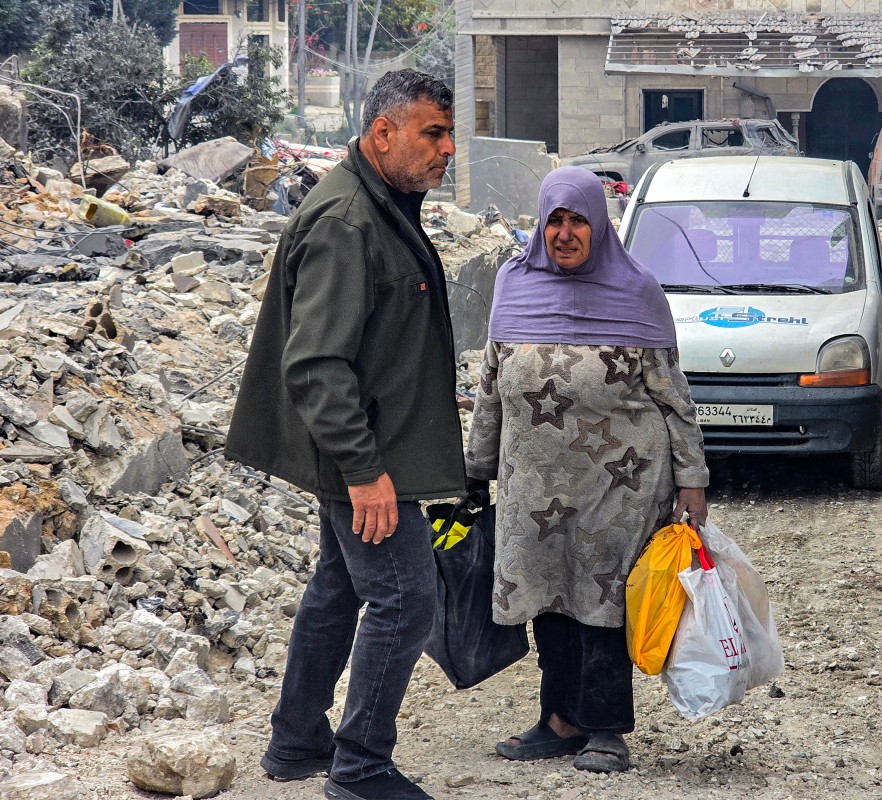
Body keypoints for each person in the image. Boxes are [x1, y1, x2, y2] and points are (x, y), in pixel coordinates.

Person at [224, 69, 462, 800]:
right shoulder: (347, 220)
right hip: (363, 454)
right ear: (383, 133)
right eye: (433, 133)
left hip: (368, 444)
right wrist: (363, 470)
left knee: (339, 585)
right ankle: (360, 767)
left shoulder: (383, 204)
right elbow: (317, 364)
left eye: (450, 134)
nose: (448, 149)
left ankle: (297, 741)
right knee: (405, 599)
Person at [465, 166, 710, 774]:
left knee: (604, 601)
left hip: (621, 483)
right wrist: (474, 469)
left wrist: (692, 479)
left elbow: (674, 398)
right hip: (531, 485)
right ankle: (559, 722)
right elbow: (491, 388)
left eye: (579, 220)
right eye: (555, 220)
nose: (566, 233)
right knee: (548, 599)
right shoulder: (513, 284)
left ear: (599, 224)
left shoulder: (636, 291)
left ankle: (605, 729)